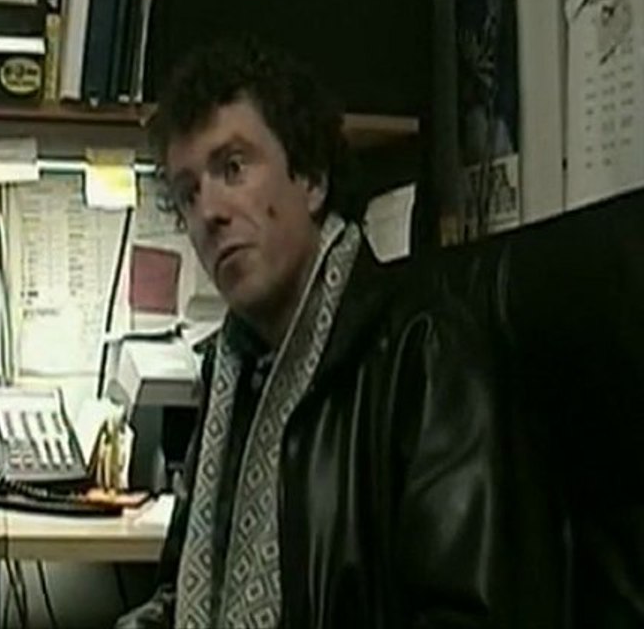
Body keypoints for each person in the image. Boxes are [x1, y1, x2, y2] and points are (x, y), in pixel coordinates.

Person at [114, 36, 558, 628]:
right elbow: (187, 595)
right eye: (188, 192)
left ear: (312, 180)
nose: (209, 212)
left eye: (233, 168)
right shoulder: (231, 373)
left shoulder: (425, 352)